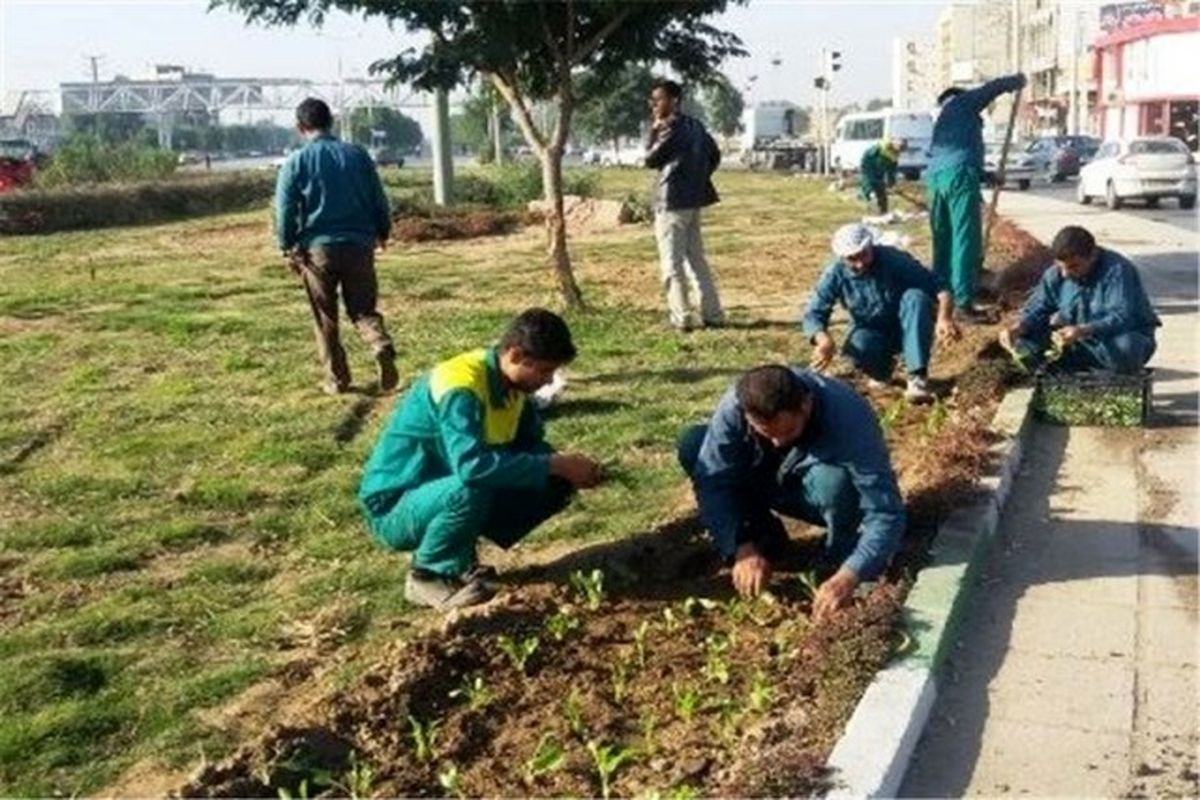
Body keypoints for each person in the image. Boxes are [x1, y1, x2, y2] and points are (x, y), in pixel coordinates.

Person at [358, 309, 604, 610]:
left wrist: (568, 467)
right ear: (514, 355)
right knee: (471, 487)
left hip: (441, 490)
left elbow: (531, 447)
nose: (549, 380)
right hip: (396, 507)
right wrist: (555, 464)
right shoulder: (461, 387)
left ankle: (459, 557)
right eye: (543, 371)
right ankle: (426, 575)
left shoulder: (513, 388)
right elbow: (472, 468)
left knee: (553, 481)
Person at [678, 364, 906, 622]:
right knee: (695, 446)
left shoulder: (849, 417)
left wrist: (851, 574)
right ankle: (763, 538)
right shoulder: (736, 404)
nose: (778, 442)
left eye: (788, 431)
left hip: (816, 492)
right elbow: (713, 482)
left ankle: (838, 555)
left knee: (835, 482)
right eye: (766, 433)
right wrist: (740, 545)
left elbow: (886, 511)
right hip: (768, 478)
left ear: (806, 405)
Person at [275, 97, 398, 395]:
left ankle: (337, 379)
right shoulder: (357, 155)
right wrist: (382, 231)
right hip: (359, 244)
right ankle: (378, 342)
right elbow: (377, 198)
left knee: (325, 316)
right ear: (330, 122)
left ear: (300, 127)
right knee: (362, 309)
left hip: (317, 250)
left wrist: (287, 245)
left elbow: (286, 209)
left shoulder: (296, 162)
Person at [805, 224, 960, 402]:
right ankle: (882, 374)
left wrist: (944, 317)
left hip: (908, 325)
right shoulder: (835, 273)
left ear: (871, 246)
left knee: (916, 297)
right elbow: (814, 312)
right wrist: (823, 340)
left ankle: (917, 377)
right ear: (842, 258)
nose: (860, 263)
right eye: (852, 259)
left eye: (864, 254)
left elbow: (939, 287)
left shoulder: (894, 259)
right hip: (871, 331)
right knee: (858, 344)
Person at [926, 73, 1026, 322]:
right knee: (964, 240)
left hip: (935, 178)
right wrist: (1014, 81)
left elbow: (959, 154)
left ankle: (942, 294)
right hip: (958, 178)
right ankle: (962, 303)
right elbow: (990, 89)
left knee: (943, 240)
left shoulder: (945, 120)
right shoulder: (963, 103)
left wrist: (987, 177)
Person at [1000, 225, 1159, 374]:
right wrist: (1019, 327)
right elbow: (1038, 308)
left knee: (1127, 347)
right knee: (1026, 343)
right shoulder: (1055, 275)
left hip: (1114, 341)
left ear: (1093, 255)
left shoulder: (1118, 270)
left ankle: (1113, 373)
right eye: (1061, 267)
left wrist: (1084, 330)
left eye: (1074, 266)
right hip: (1075, 343)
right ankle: (1061, 373)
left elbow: (1122, 316)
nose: (1065, 274)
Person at [644, 79, 725, 332]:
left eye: (658, 100)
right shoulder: (696, 125)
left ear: (674, 100)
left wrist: (655, 129)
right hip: (692, 201)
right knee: (696, 260)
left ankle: (682, 316)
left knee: (672, 262)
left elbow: (650, 158)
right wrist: (697, 178)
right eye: (652, 100)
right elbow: (714, 156)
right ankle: (713, 314)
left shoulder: (671, 127)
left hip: (671, 201)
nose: (653, 105)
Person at [859, 139, 902, 214]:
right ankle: (872, 203)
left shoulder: (893, 158)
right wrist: (870, 191)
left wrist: (891, 184)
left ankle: (883, 212)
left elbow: (891, 172)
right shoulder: (876, 151)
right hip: (869, 170)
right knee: (870, 188)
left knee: (882, 194)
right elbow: (866, 168)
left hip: (879, 175)